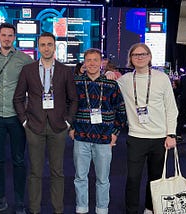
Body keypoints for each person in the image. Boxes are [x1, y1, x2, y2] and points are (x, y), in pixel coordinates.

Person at [106, 43, 178, 214]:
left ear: (150, 57)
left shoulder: (162, 78)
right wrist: (107, 73)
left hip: (160, 137)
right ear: (130, 59)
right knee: (133, 178)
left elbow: (171, 108)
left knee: (155, 178)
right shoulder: (125, 80)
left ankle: (150, 208)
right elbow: (109, 87)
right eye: (135, 55)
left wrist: (171, 134)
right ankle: (131, 210)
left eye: (143, 54)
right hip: (136, 137)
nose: (139, 57)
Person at [13, 32, 78, 214]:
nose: (46, 48)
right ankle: (34, 210)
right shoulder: (28, 70)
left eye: (50, 44)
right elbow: (18, 98)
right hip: (34, 126)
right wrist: (24, 121)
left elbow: (73, 99)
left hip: (58, 127)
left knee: (58, 172)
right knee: (35, 172)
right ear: (38, 47)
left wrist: (68, 122)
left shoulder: (65, 70)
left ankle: (58, 210)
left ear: (54, 46)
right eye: (43, 45)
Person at [69, 48, 127, 214]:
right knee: (80, 177)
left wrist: (115, 133)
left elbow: (121, 110)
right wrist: (71, 128)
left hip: (104, 138)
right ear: (84, 63)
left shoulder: (111, 84)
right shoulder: (76, 83)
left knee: (103, 179)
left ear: (101, 63)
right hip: (81, 136)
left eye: (95, 60)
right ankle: (81, 208)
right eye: (89, 60)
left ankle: (102, 209)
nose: (92, 63)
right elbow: (68, 106)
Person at [0, 22, 33, 214]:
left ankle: (20, 201)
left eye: (10, 35)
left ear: (14, 37)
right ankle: (0, 199)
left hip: (17, 116)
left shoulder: (24, 59)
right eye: (3, 35)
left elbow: (34, 86)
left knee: (18, 160)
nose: (7, 38)